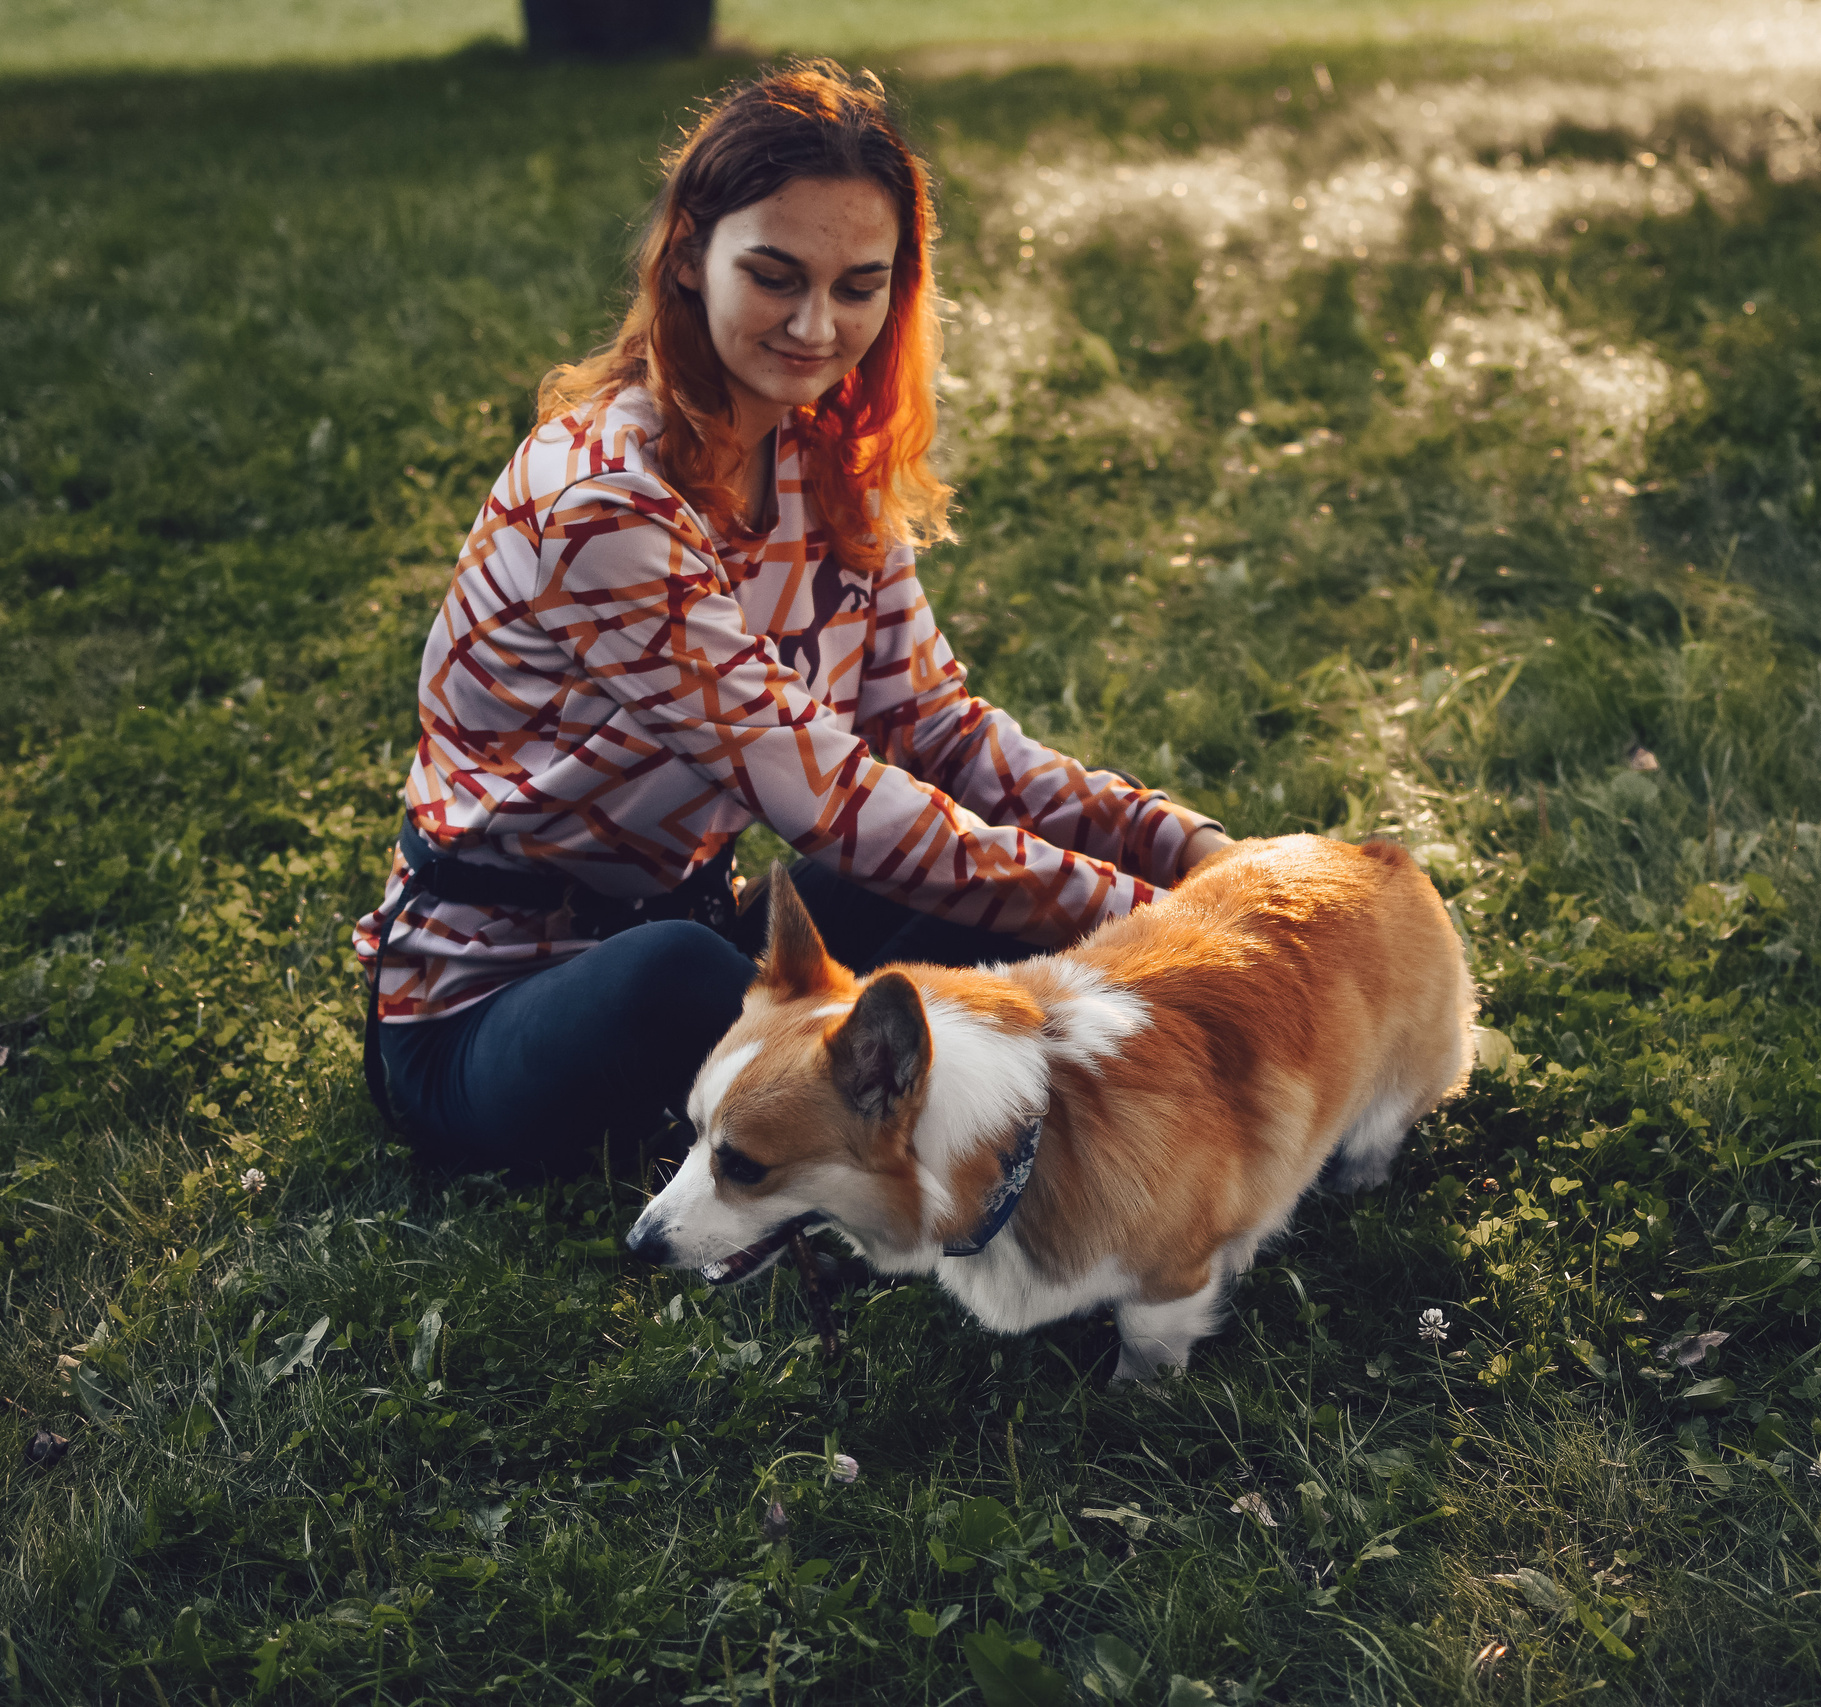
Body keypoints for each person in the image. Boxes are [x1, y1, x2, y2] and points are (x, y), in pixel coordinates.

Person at [353, 60, 1229, 1181]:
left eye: (859, 286)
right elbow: (827, 799)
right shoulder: (604, 500)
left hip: (709, 937)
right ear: (687, 257)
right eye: (775, 276)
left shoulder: (828, 462)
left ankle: (905, 1092)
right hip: (482, 1014)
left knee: (970, 876)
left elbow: (939, 730)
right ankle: (889, 1107)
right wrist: (1161, 923)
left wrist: (1187, 852)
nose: (818, 325)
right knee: (685, 968)